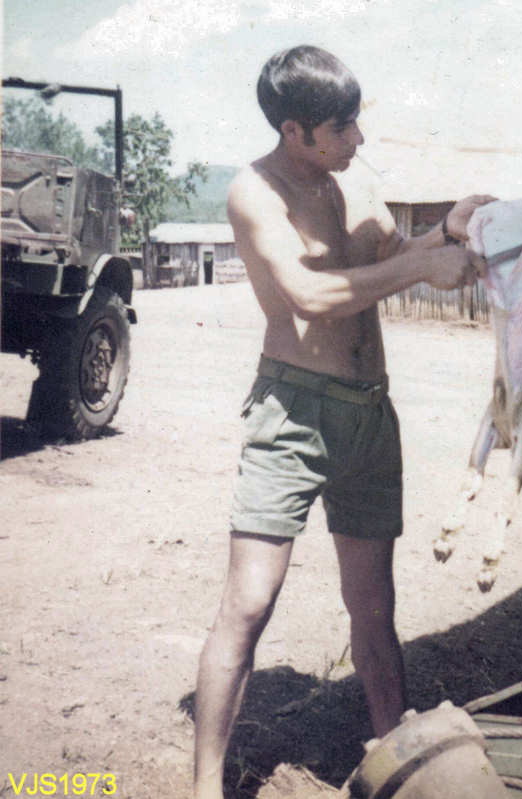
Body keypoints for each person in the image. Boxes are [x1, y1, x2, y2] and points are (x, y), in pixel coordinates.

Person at [193, 45, 493, 799]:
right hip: (293, 411)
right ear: (293, 131)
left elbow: (396, 254)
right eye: (341, 127)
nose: (358, 137)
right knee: (249, 602)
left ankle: (398, 763)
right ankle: (201, 787)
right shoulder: (254, 193)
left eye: (358, 121)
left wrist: (448, 232)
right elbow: (311, 295)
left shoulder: (354, 183)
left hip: (367, 415)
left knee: (374, 607)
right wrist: (420, 266)